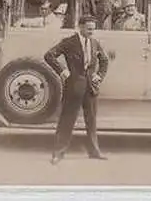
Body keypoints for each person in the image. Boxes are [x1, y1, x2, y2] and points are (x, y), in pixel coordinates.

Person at [44, 15, 109, 165]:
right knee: (67, 120)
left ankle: (94, 151)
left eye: (93, 29)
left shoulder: (94, 43)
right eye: (89, 29)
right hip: (73, 87)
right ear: (80, 27)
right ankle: (58, 153)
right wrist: (63, 71)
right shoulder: (69, 42)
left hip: (91, 88)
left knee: (91, 120)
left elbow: (104, 60)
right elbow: (49, 55)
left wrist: (99, 76)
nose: (92, 31)